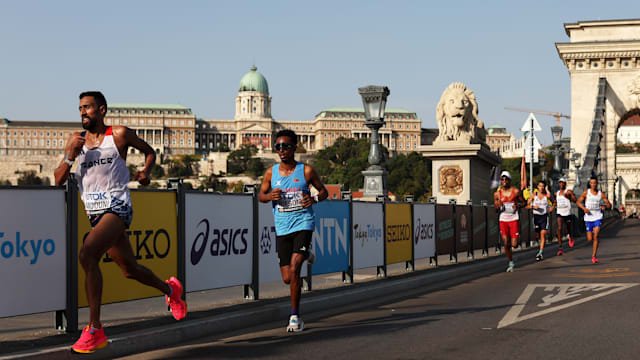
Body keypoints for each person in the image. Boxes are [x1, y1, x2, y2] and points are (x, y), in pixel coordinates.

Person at [54, 91, 186, 353]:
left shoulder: (119, 135)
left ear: (102, 110)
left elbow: (150, 153)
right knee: (130, 269)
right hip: (94, 213)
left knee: (87, 254)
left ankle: (94, 329)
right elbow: (58, 180)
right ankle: (170, 290)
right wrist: (70, 155)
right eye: (80, 108)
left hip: (117, 207)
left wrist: (145, 172)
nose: (83, 112)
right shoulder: (76, 142)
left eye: (88, 107)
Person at [258, 129, 328, 332]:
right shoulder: (271, 173)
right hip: (282, 227)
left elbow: (323, 192)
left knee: (296, 267)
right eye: (278, 147)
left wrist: (313, 198)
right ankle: (306, 253)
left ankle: (295, 317)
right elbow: (260, 196)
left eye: (286, 146)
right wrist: (270, 196)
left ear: (295, 148)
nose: (282, 150)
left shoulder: (306, 171)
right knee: (288, 277)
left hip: (303, 223)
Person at [494, 171, 525, 272]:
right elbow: (495, 209)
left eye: (506, 179)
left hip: (513, 218)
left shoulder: (515, 191)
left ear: (509, 180)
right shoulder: (497, 194)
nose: (504, 181)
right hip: (503, 219)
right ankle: (511, 261)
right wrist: (498, 206)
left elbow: (524, 202)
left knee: (514, 245)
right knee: (506, 242)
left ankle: (517, 239)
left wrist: (518, 206)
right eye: (502, 179)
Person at [577, 176, 612, 264]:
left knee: (595, 236)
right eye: (591, 183)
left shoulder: (600, 194)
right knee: (589, 239)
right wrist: (584, 208)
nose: (593, 185)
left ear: (597, 184)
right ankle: (594, 236)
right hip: (588, 217)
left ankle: (594, 256)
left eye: (595, 183)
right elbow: (578, 202)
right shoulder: (586, 193)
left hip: (597, 216)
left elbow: (609, 204)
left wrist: (605, 206)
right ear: (590, 183)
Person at [529, 181, 553, 261]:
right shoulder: (534, 195)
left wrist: (551, 208)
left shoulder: (546, 196)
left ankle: (540, 252)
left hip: (544, 217)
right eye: (540, 186)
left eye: (543, 186)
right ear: (537, 187)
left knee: (543, 234)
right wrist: (533, 206)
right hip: (536, 217)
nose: (541, 188)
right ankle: (538, 242)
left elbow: (553, 201)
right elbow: (527, 205)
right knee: (537, 235)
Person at [553, 178, 576, 254]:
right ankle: (560, 247)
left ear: (565, 184)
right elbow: (555, 201)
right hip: (559, 212)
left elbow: (575, 200)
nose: (561, 184)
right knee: (559, 228)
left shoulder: (568, 191)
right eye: (560, 183)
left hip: (567, 212)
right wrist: (552, 206)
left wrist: (568, 197)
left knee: (568, 227)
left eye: (563, 183)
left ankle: (570, 236)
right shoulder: (557, 193)